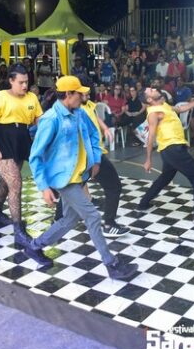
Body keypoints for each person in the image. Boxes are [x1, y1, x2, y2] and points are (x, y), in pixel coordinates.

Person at [24, 76, 138, 279]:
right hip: (64, 179)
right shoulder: (51, 119)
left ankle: (34, 246)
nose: (84, 96)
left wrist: (95, 160)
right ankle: (111, 264)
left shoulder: (79, 113)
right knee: (92, 216)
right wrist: (43, 187)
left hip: (80, 174)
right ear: (68, 94)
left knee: (69, 219)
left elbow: (94, 134)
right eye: (79, 93)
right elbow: (35, 156)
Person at [0, 64, 43, 248]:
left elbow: (38, 119)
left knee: (7, 179)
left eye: (26, 82)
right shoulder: (0, 96)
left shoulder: (32, 97)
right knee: (15, 183)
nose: (25, 86)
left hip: (21, 139)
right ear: (11, 81)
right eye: (21, 82)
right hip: (2, 140)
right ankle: (18, 230)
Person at [138, 88, 194, 224]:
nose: (154, 89)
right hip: (173, 149)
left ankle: (143, 204)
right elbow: (150, 137)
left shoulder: (164, 105)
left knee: (165, 178)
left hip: (170, 150)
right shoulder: (153, 113)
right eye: (151, 90)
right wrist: (148, 159)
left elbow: (180, 109)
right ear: (149, 99)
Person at [80, 93, 130, 237]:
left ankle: (57, 220)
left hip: (91, 154)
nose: (87, 93)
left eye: (87, 91)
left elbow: (95, 118)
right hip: (91, 154)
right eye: (83, 91)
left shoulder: (88, 105)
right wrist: (95, 159)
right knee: (114, 186)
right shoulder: (77, 111)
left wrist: (105, 128)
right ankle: (109, 225)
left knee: (73, 188)